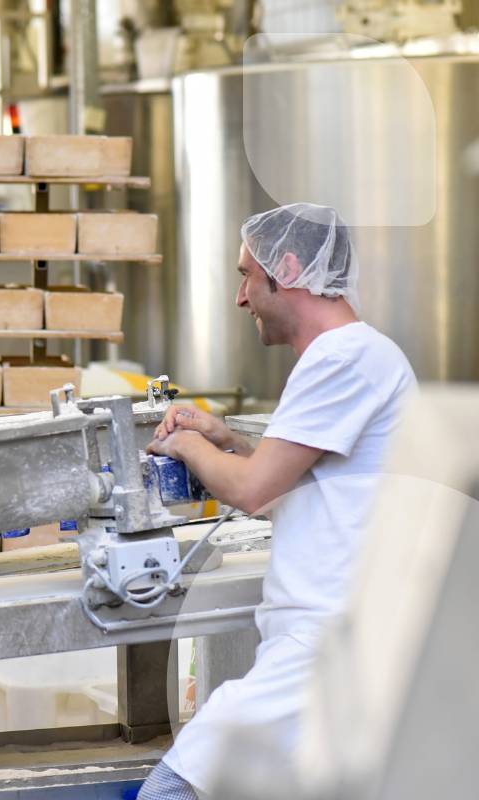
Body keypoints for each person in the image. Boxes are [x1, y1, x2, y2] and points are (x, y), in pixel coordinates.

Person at [138, 204, 416, 799]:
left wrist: (187, 445)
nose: (241, 298)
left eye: (247, 275)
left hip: (329, 645)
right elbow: (294, 481)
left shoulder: (345, 356)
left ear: (286, 269)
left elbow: (255, 489)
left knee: (170, 789)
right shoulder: (347, 356)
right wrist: (228, 439)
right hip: (329, 638)